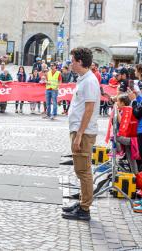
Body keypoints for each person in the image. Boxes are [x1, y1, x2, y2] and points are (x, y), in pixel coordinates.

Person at [62, 47, 100, 221]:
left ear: (79, 62)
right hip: (79, 131)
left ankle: (85, 209)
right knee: (80, 169)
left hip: (83, 133)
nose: (71, 63)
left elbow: (89, 110)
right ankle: (82, 202)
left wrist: (79, 135)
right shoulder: (84, 79)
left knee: (83, 171)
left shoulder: (89, 81)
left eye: (72, 60)